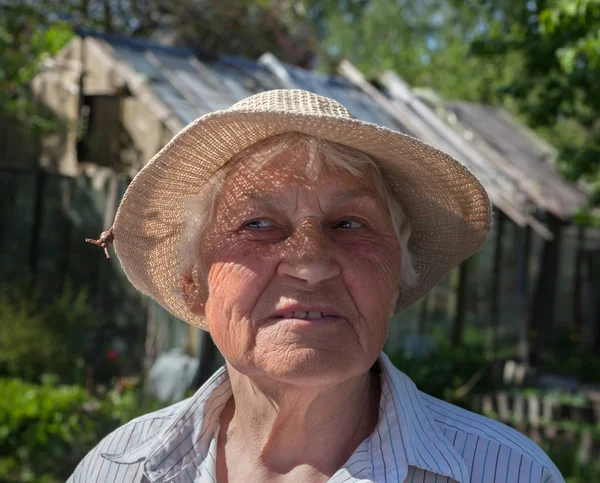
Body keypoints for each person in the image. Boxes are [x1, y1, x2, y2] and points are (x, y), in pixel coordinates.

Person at [70, 89, 563, 483]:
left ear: (395, 281)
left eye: (349, 224)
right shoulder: (116, 471)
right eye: (258, 225)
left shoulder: (509, 473)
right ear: (194, 285)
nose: (309, 264)